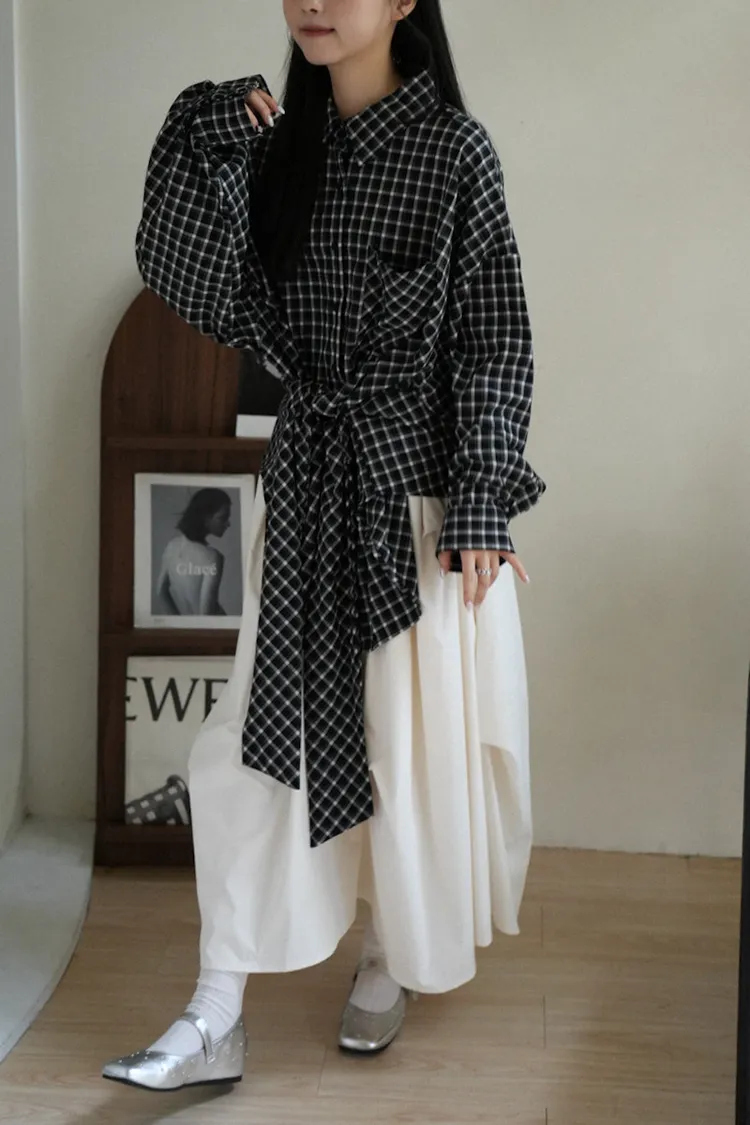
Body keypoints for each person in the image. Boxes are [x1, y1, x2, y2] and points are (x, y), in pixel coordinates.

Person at [102, 0, 546, 1092]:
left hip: (417, 506)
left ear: (402, 1)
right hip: (306, 485)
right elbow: (183, 269)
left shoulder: (454, 150)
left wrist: (482, 501)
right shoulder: (272, 150)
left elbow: (494, 336)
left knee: (406, 749)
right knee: (256, 746)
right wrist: (206, 127)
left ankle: (389, 950)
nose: (312, 0)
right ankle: (216, 1009)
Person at [155, 488, 233, 617]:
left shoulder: (171, 546)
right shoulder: (213, 557)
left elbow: (160, 592)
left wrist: (178, 623)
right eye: (223, 518)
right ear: (205, 519)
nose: (228, 524)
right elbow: (206, 615)